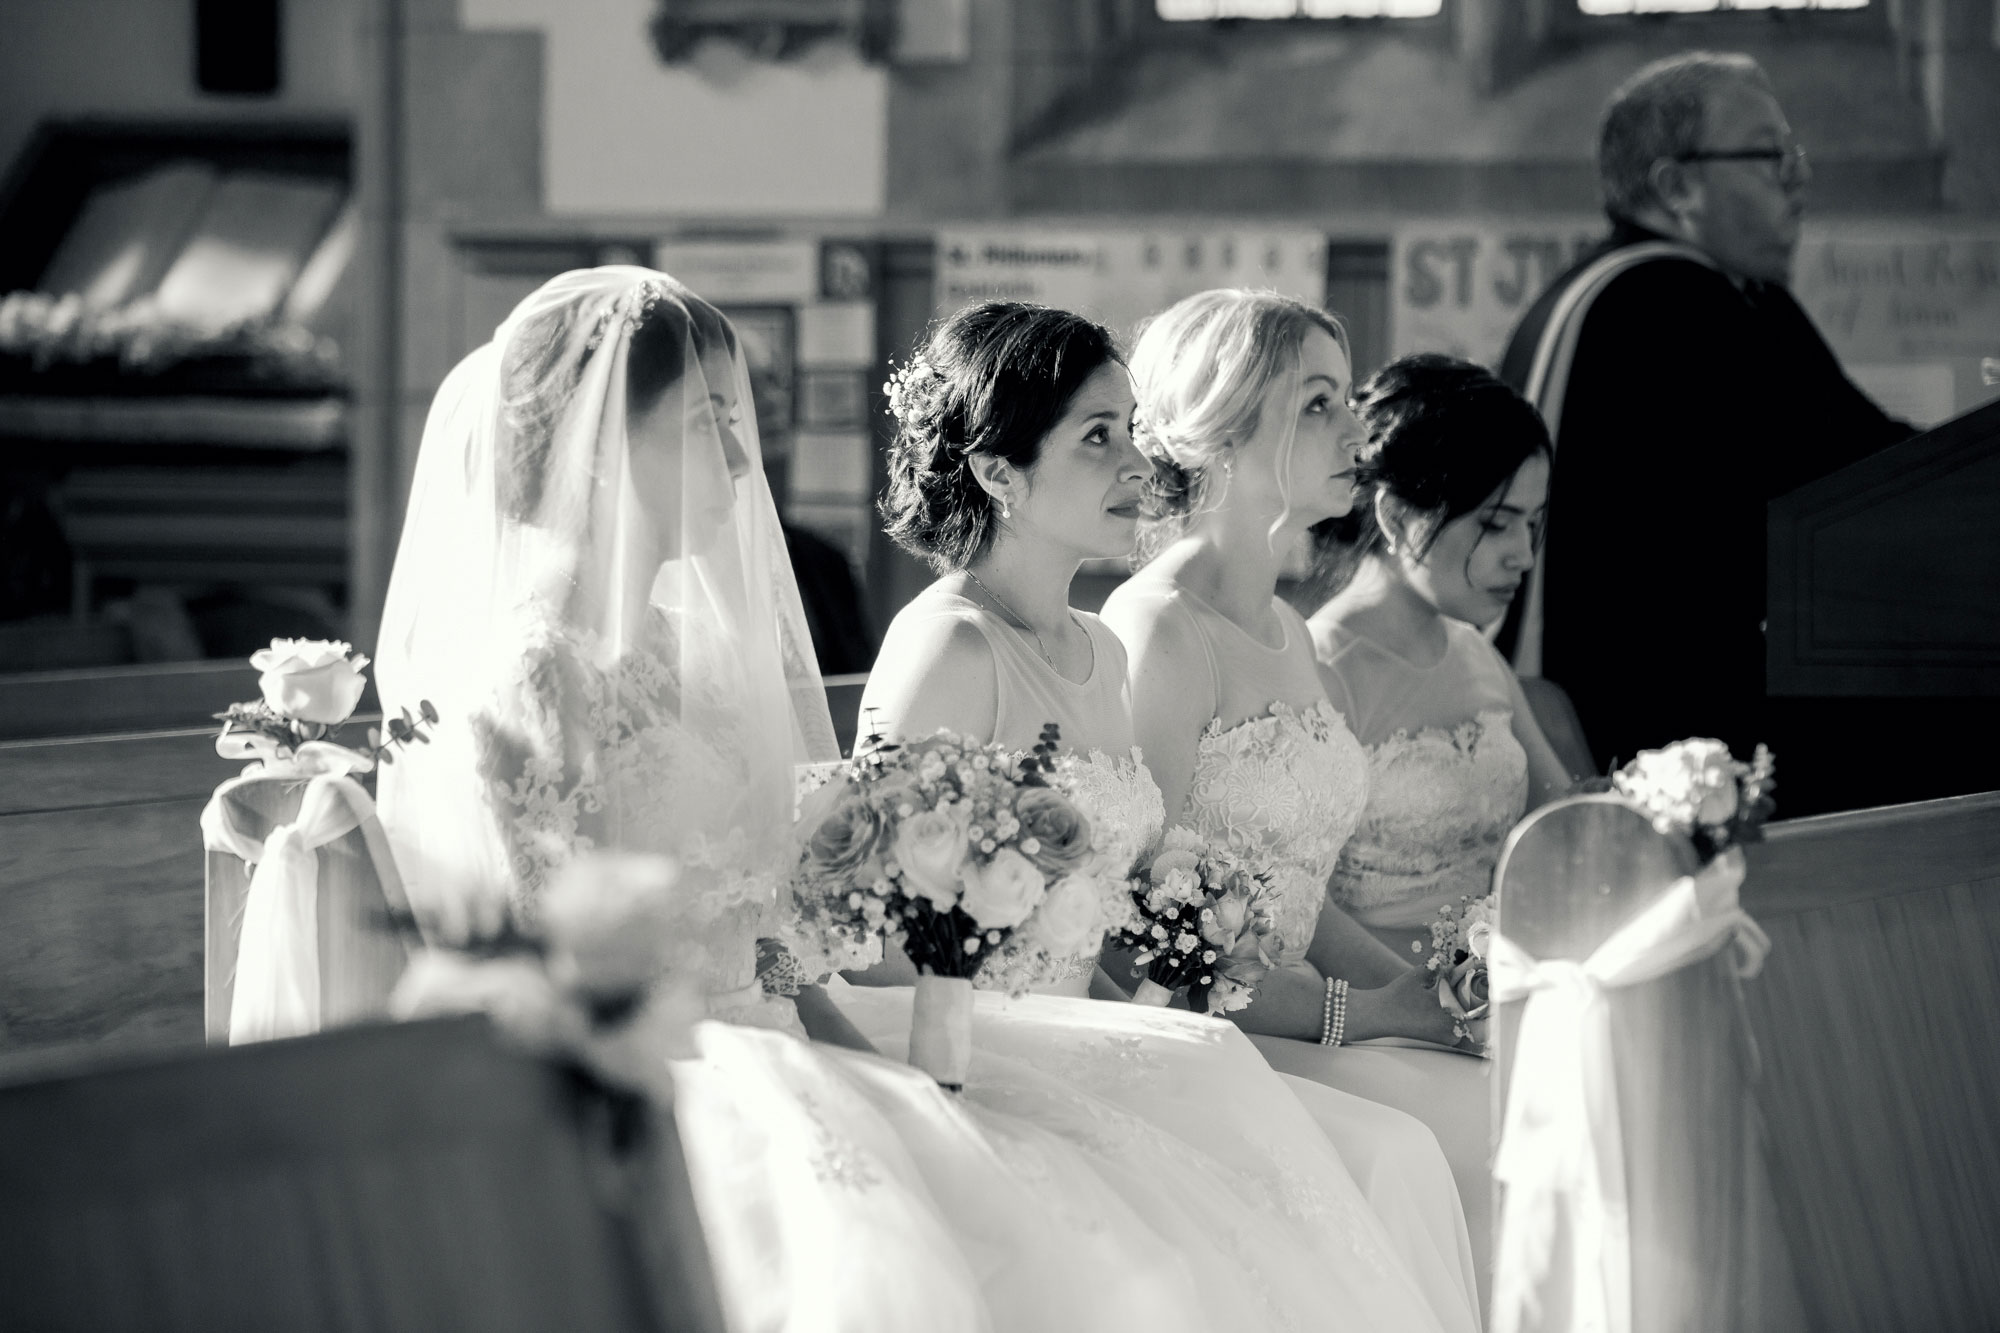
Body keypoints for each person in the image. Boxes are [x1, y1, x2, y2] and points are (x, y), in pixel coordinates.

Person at [372, 268, 1246, 1333]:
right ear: (601, 445)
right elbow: (548, 960)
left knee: (1079, 1195)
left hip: (776, 1027)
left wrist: (859, 1052)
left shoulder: (671, 655)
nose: (742, 462)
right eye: (707, 425)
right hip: (671, 1070)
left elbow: (765, 931)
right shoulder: (530, 675)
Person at [840, 300, 1481, 1333]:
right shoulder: (946, 648)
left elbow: (1113, 914)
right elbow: (870, 938)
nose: (1137, 461)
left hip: (1093, 1032)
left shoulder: (1097, 649)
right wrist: (1001, 1078)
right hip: (976, 1056)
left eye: (1130, 427)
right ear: (999, 472)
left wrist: (1153, 1003)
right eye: (1096, 436)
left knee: (1361, 1164)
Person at [1101, 288, 1498, 1299]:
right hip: (1211, 1037)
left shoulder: (1290, 634)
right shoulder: (1156, 632)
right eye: (1317, 402)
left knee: (1516, 1090)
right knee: (1461, 1133)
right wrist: (1366, 1012)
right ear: (1227, 428)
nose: (1353, 429)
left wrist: (1444, 998)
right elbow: (1144, 929)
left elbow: (1301, 892)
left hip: (1308, 1016)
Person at [1497, 50, 1913, 773]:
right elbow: (1878, 481)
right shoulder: (1685, 302)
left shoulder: (1588, 291)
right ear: (1677, 184)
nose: (1798, 179)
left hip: (1568, 716)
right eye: (1768, 155)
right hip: (1658, 741)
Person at [1307, 354, 1576, 963]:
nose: (1523, 558)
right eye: (1497, 524)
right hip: (1385, 1014)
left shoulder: (1478, 655)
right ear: (1399, 517)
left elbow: (1567, 832)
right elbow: (1297, 911)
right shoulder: (1320, 669)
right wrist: (1437, 1009)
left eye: (1531, 526)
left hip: (1503, 988)